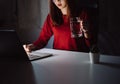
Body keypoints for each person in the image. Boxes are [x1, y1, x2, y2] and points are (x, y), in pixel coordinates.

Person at [24, 0, 95, 53]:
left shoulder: (82, 14)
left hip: (78, 56)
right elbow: (42, 40)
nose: (57, 1)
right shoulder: (51, 17)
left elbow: (91, 45)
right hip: (59, 57)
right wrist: (31, 46)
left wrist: (87, 32)